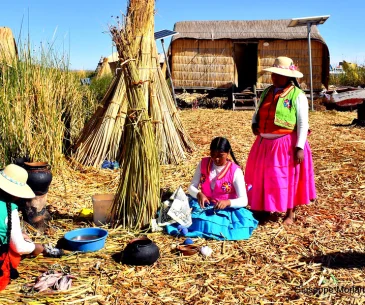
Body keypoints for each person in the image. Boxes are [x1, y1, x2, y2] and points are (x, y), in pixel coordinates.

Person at [245, 56, 316, 225]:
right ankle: (264, 208)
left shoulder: (297, 95)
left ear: (289, 76)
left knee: (288, 178)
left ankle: (290, 213)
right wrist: (255, 123)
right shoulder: (267, 92)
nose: (275, 78)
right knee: (264, 177)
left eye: (279, 75)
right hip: (264, 144)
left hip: (286, 144)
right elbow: (258, 111)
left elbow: (302, 122)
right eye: (274, 74)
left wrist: (299, 146)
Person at [166, 137, 258, 240]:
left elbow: (244, 200)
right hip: (202, 204)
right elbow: (192, 187)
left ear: (227, 153)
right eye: (213, 155)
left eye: (220, 156)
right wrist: (198, 194)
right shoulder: (204, 164)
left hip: (224, 209)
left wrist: (227, 202)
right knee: (174, 212)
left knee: (209, 224)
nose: (216, 159)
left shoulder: (235, 171)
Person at [0, 164, 45, 290]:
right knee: (13, 254)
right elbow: (19, 247)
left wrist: (18, 234)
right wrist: (36, 247)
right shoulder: (9, 209)